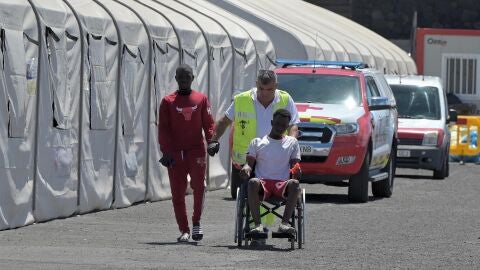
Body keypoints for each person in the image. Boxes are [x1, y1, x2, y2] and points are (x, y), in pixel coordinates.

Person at [210, 69, 300, 198]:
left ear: (276, 86)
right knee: (246, 196)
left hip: (274, 158)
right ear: (256, 84)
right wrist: (214, 140)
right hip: (246, 158)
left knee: (266, 198)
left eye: (269, 89)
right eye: (261, 88)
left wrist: (291, 146)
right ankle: (258, 217)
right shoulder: (241, 99)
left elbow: (293, 126)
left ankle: (265, 217)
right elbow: (224, 122)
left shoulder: (285, 99)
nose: (264, 93)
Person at [158, 64, 220, 243]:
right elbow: (163, 129)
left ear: (193, 78)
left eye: (187, 77)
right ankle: (184, 230)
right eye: (180, 77)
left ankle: (197, 222)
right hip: (175, 154)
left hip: (196, 151)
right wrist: (166, 151)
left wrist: (212, 141)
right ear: (176, 78)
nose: (184, 80)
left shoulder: (200, 99)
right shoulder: (168, 101)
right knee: (177, 193)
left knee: (199, 187)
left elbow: (208, 124)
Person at [239, 109, 301, 235]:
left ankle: (284, 225)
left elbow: (295, 164)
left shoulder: (292, 142)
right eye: (277, 124)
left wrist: (297, 170)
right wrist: (245, 168)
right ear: (272, 122)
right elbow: (249, 164)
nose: (280, 127)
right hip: (262, 185)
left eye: (283, 125)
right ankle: (258, 226)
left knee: (295, 183)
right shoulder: (257, 142)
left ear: (287, 126)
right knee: (252, 182)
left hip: (282, 185)